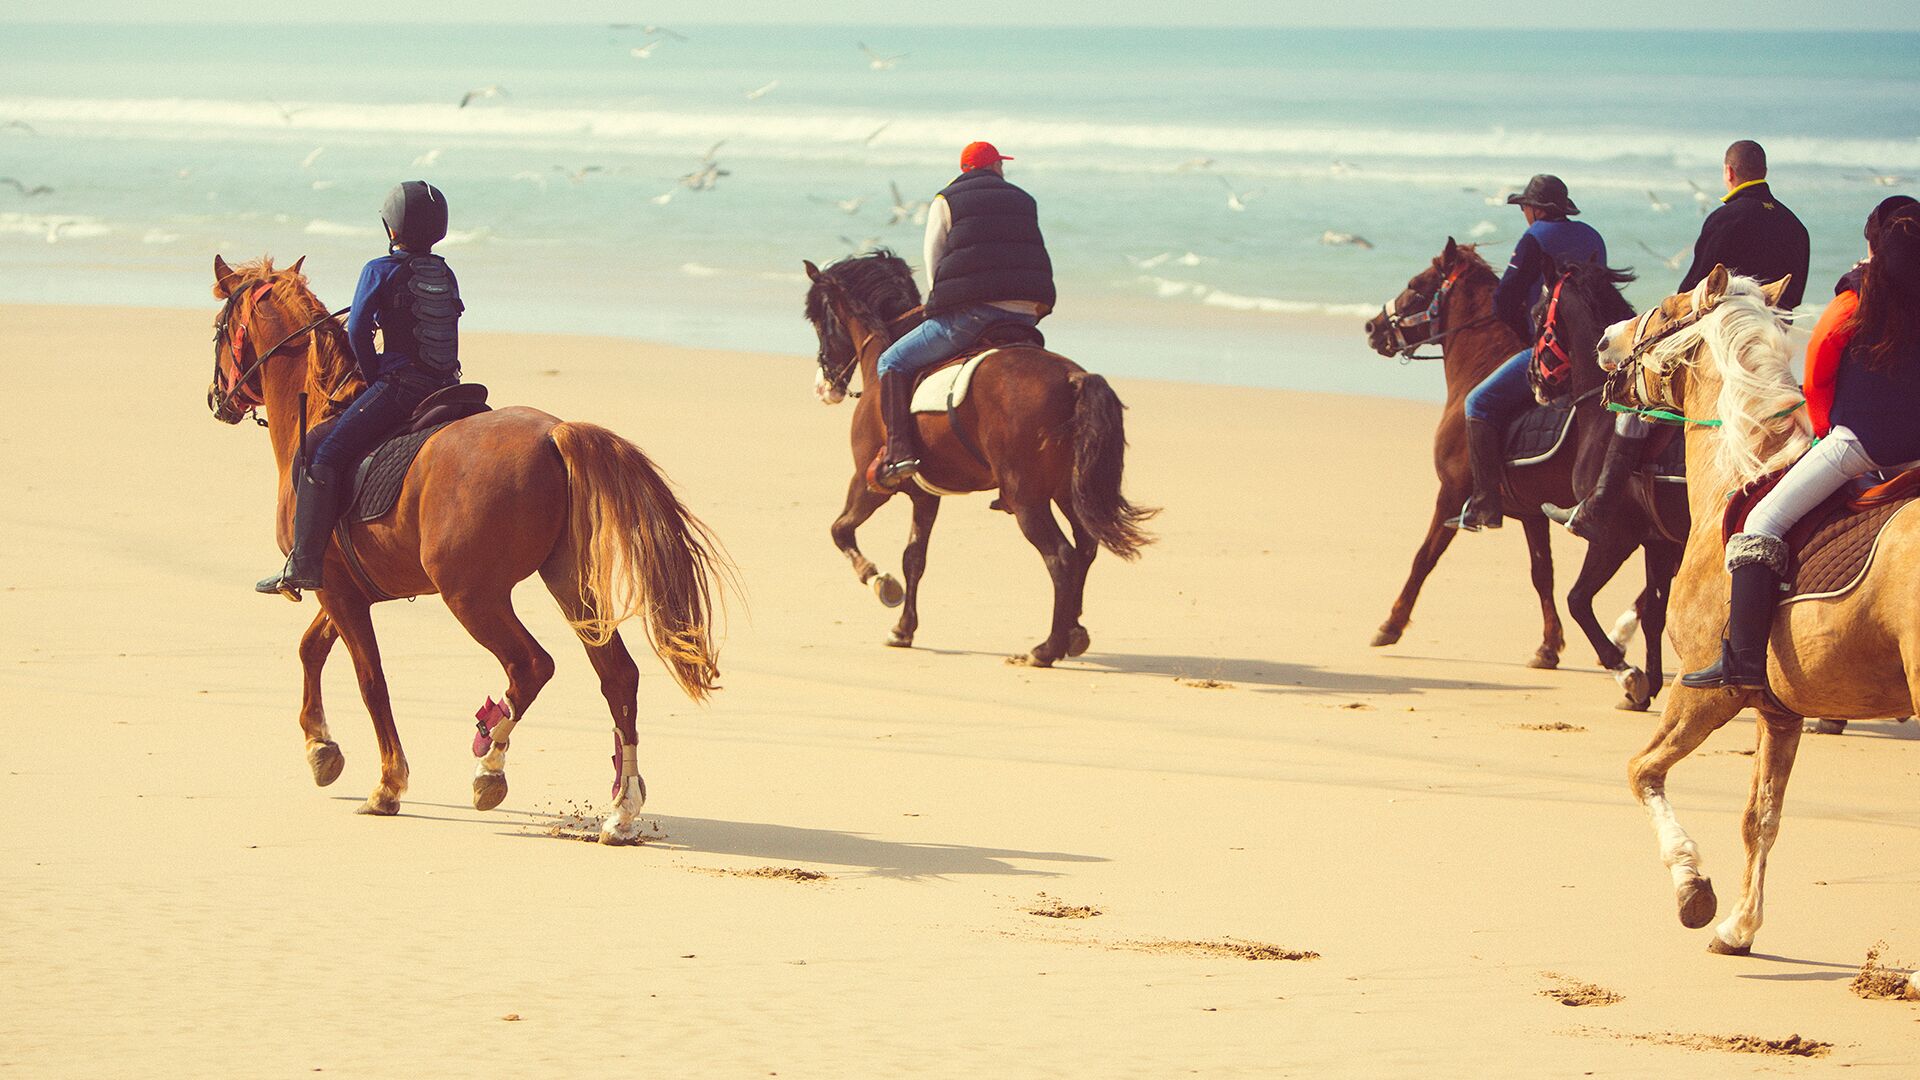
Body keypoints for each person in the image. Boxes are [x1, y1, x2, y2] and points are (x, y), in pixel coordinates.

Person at [1683, 206, 1920, 689]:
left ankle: (1745, 662)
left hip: (1862, 445)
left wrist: (1821, 432)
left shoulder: (1855, 303)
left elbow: (1816, 377)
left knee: (1760, 522)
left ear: (1874, 247)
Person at [1551, 141, 1812, 537]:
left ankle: (1600, 505)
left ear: (1729, 172)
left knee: (1635, 409)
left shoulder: (1726, 219)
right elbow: (1789, 300)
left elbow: (1693, 291)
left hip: (1717, 348)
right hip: (1767, 354)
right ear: (1763, 170)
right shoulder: (1797, 227)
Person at [256, 180, 464, 597]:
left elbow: (356, 332)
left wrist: (373, 379)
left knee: (321, 450)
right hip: (449, 388)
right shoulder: (445, 271)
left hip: (402, 389)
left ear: (392, 229)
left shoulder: (379, 270)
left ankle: (305, 562)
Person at [869, 141, 1055, 491]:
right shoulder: (1024, 199)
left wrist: (941, 300)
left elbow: (933, 259)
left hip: (972, 315)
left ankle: (899, 450)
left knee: (891, 361)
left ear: (966, 169)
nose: (1003, 168)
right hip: (1025, 313)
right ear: (995, 166)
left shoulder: (946, 200)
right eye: (1001, 163)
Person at [1450, 174, 1606, 531]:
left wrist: (1530, 340)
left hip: (1555, 353)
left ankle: (1486, 501)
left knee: (1478, 403)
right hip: (1594, 351)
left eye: (1525, 207)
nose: (1524, 213)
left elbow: (1504, 299)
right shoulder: (1592, 235)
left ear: (1535, 209)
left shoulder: (1535, 238)